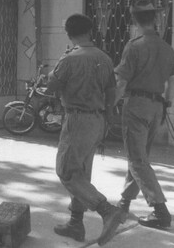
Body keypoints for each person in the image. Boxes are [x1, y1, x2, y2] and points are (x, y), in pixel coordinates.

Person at [46, 14, 122, 246]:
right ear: (91, 31)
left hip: (77, 120)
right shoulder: (105, 58)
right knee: (81, 174)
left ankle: (107, 210)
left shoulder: (69, 59)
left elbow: (51, 86)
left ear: (68, 34)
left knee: (67, 171)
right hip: (98, 121)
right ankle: (75, 224)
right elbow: (112, 92)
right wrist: (107, 118)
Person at [114, 0, 174, 229]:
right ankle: (124, 201)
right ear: (155, 19)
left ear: (134, 20)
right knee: (139, 157)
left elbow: (121, 82)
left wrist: (108, 105)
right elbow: (173, 81)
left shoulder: (134, 46)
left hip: (137, 105)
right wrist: (167, 103)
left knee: (136, 159)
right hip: (157, 107)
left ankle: (160, 210)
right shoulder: (166, 48)